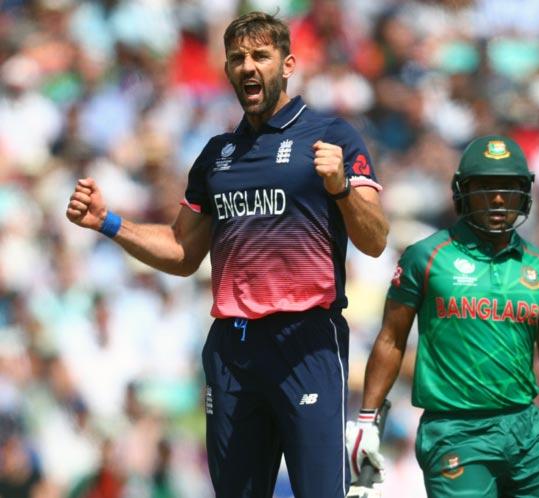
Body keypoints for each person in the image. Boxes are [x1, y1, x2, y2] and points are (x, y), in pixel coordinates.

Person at [66, 11, 388, 498]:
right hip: (233, 350)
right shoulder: (217, 155)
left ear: (288, 63)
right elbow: (182, 251)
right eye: (237, 58)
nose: (248, 67)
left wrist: (341, 188)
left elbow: (376, 239)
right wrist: (109, 223)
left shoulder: (330, 136)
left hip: (306, 341)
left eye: (261, 55)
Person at [346, 135, 539, 497]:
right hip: (455, 430)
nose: (498, 198)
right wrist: (367, 420)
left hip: (527, 428)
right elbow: (391, 339)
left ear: (525, 192)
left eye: (509, 187)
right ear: (462, 191)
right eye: (485, 187)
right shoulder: (426, 256)